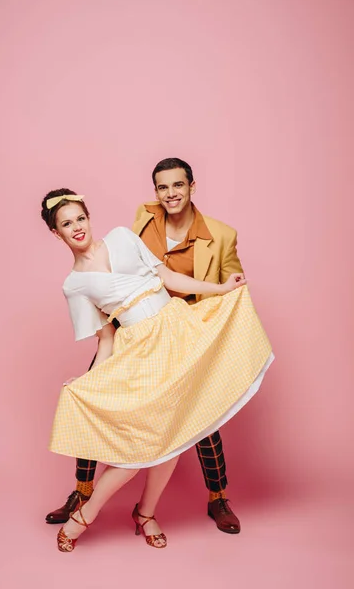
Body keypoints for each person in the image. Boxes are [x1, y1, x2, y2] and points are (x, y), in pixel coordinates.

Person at [42, 187, 274, 552]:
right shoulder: (74, 285)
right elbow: (105, 339)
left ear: (89, 217)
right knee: (139, 448)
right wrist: (88, 382)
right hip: (142, 351)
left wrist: (218, 288)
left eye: (80, 218)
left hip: (179, 331)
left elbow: (167, 277)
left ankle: (146, 513)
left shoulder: (122, 237)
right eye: (67, 224)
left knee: (177, 435)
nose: (77, 228)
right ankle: (83, 517)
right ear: (56, 233)